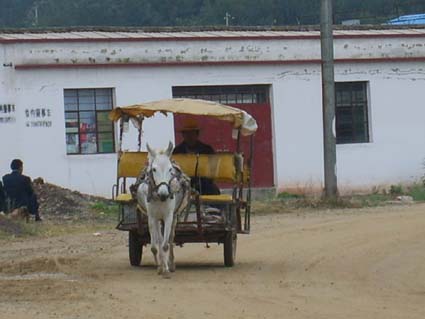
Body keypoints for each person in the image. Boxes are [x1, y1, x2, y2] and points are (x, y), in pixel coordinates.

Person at [173, 118, 220, 195]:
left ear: (197, 134)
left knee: (214, 191)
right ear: (183, 135)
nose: (189, 136)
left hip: (204, 184)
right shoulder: (177, 151)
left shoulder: (208, 150)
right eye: (187, 133)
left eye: (192, 133)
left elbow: (213, 171)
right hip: (183, 185)